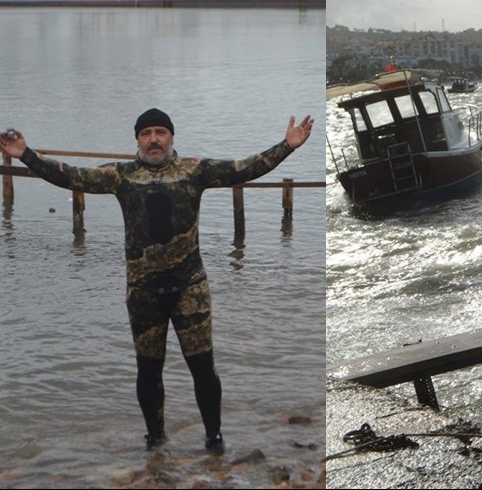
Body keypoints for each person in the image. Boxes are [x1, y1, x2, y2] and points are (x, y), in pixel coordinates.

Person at [0, 108, 314, 454]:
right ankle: (155, 441)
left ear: (171, 137)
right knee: (148, 370)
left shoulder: (194, 171)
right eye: (146, 133)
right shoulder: (120, 176)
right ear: (137, 139)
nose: (153, 139)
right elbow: (71, 176)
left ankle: (214, 439)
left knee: (202, 367)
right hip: (143, 292)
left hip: (190, 288)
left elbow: (245, 168)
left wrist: (287, 146)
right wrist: (26, 155)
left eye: (160, 132)